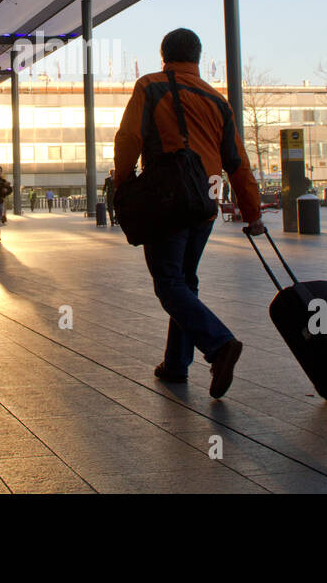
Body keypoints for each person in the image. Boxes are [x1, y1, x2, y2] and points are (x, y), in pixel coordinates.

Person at [115, 27, 263, 400]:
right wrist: (252, 212)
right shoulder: (218, 100)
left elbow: (129, 137)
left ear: (164, 54)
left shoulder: (150, 86)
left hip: (169, 199)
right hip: (206, 202)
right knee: (185, 280)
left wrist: (122, 182)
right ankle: (176, 365)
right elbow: (237, 162)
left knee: (169, 283)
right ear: (197, 57)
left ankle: (219, 344)